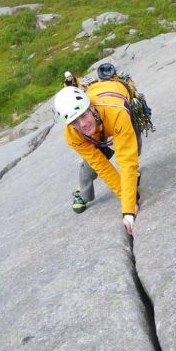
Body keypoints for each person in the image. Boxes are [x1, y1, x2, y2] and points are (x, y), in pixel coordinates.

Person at [53, 79, 141, 236]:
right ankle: (83, 194)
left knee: (134, 151)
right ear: (70, 125)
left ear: (91, 107)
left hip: (115, 108)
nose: (82, 124)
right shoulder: (73, 134)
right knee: (92, 167)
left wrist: (128, 208)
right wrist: (128, 198)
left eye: (83, 115)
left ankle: (131, 179)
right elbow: (101, 165)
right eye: (75, 121)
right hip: (99, 125)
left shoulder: (117, 112)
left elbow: (126, 160)